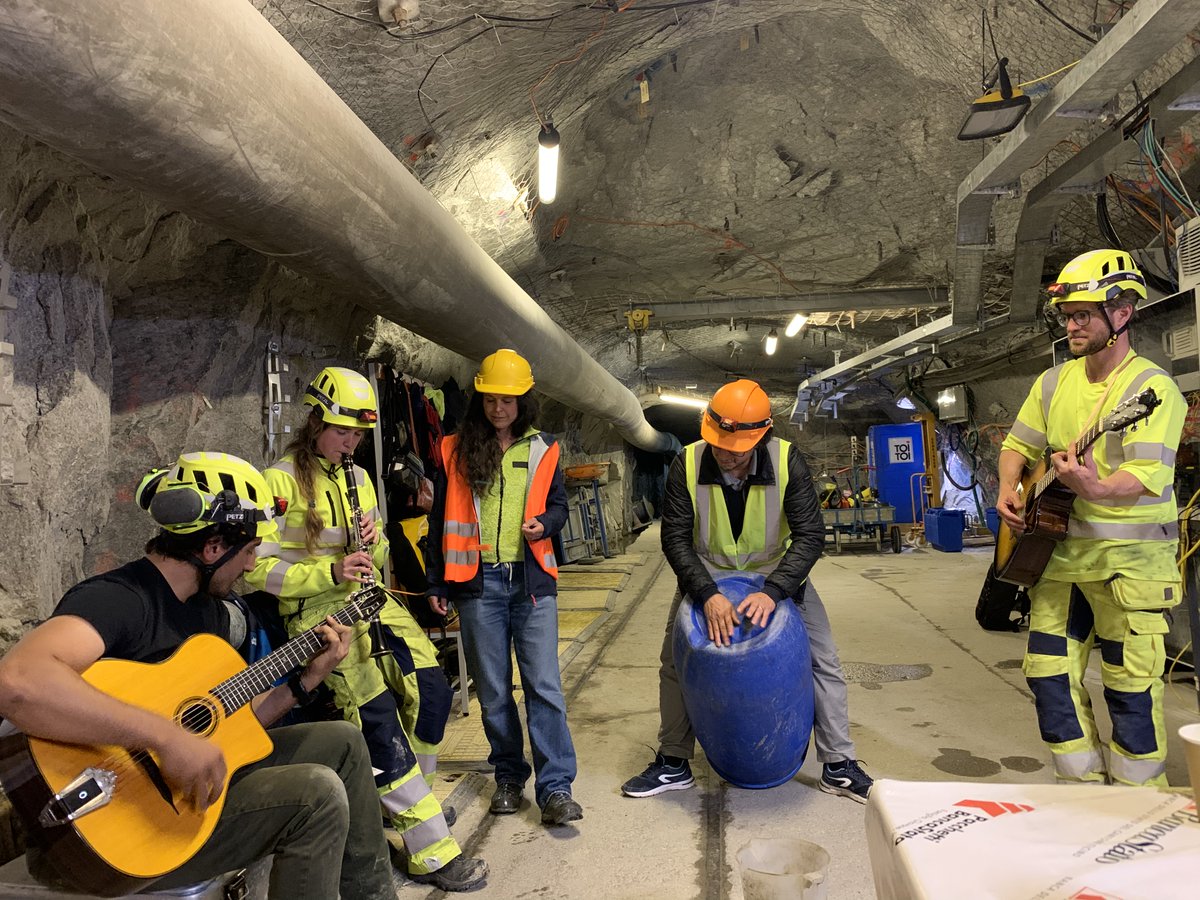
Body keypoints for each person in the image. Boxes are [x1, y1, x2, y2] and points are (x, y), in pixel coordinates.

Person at [0, 452, 397, 898]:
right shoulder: (120, 599)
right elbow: (18, 681)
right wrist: (164, 738)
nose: (251, 567)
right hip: (101, 834)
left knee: (342, 740)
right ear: (212, 548)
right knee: (316, 795)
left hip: (181, 799)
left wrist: (305, 681)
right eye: (248, 552)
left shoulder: (208, 615)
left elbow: (233, 729)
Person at [248, 366, 487, 892]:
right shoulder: (279, 479)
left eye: (358, 434)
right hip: (315, 612)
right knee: (376, 719)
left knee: (430, 689)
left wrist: (374, 541)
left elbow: (375, 558)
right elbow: (257, 569)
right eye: (342, 432)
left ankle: (407, 807)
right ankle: (429, 848)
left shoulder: (358, 479)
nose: (350, 442)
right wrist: (329, 571)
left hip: (368, 599)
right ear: (316, 423)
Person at [621, 379, 874, 802]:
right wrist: (706, 594)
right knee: (674, 662)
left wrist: (774, 591)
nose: (728, 455)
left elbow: (811, 535)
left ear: (762, 436)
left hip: (776, 575)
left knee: (823, 658)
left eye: (739, 450)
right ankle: (673, 761)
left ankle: (838, 764)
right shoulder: (686, 463)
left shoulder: (787, 461)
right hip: (709, 574)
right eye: (720, 445)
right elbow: (676, 538)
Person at [998, 249, 1184, 787]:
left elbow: (1147, 476)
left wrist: (1094, 486)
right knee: (1047, 675)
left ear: (1122, 314)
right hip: (1057, 560)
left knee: (1129, 685)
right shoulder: (1055, 382)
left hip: (1128, 566)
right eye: (1067, 315)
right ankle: (1081, 790)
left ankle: (1138, 800)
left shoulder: (1149, 391)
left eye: (1084, 313)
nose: (1072, 324)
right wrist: (1012, 486)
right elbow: (1017, 443)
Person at [425, 349, 583, 827]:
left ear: (523, 402)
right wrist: (437, 581)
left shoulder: (544, 449)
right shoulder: (453, 449)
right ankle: (510, 777)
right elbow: (438, 521)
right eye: (491, 400)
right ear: (480, 400)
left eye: (508, 400)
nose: (499, 409)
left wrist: (545, 525)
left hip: (531, 584)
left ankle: (555, 788)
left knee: (544, 686)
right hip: (477, 584)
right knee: (493, 692)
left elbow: (559, 506)